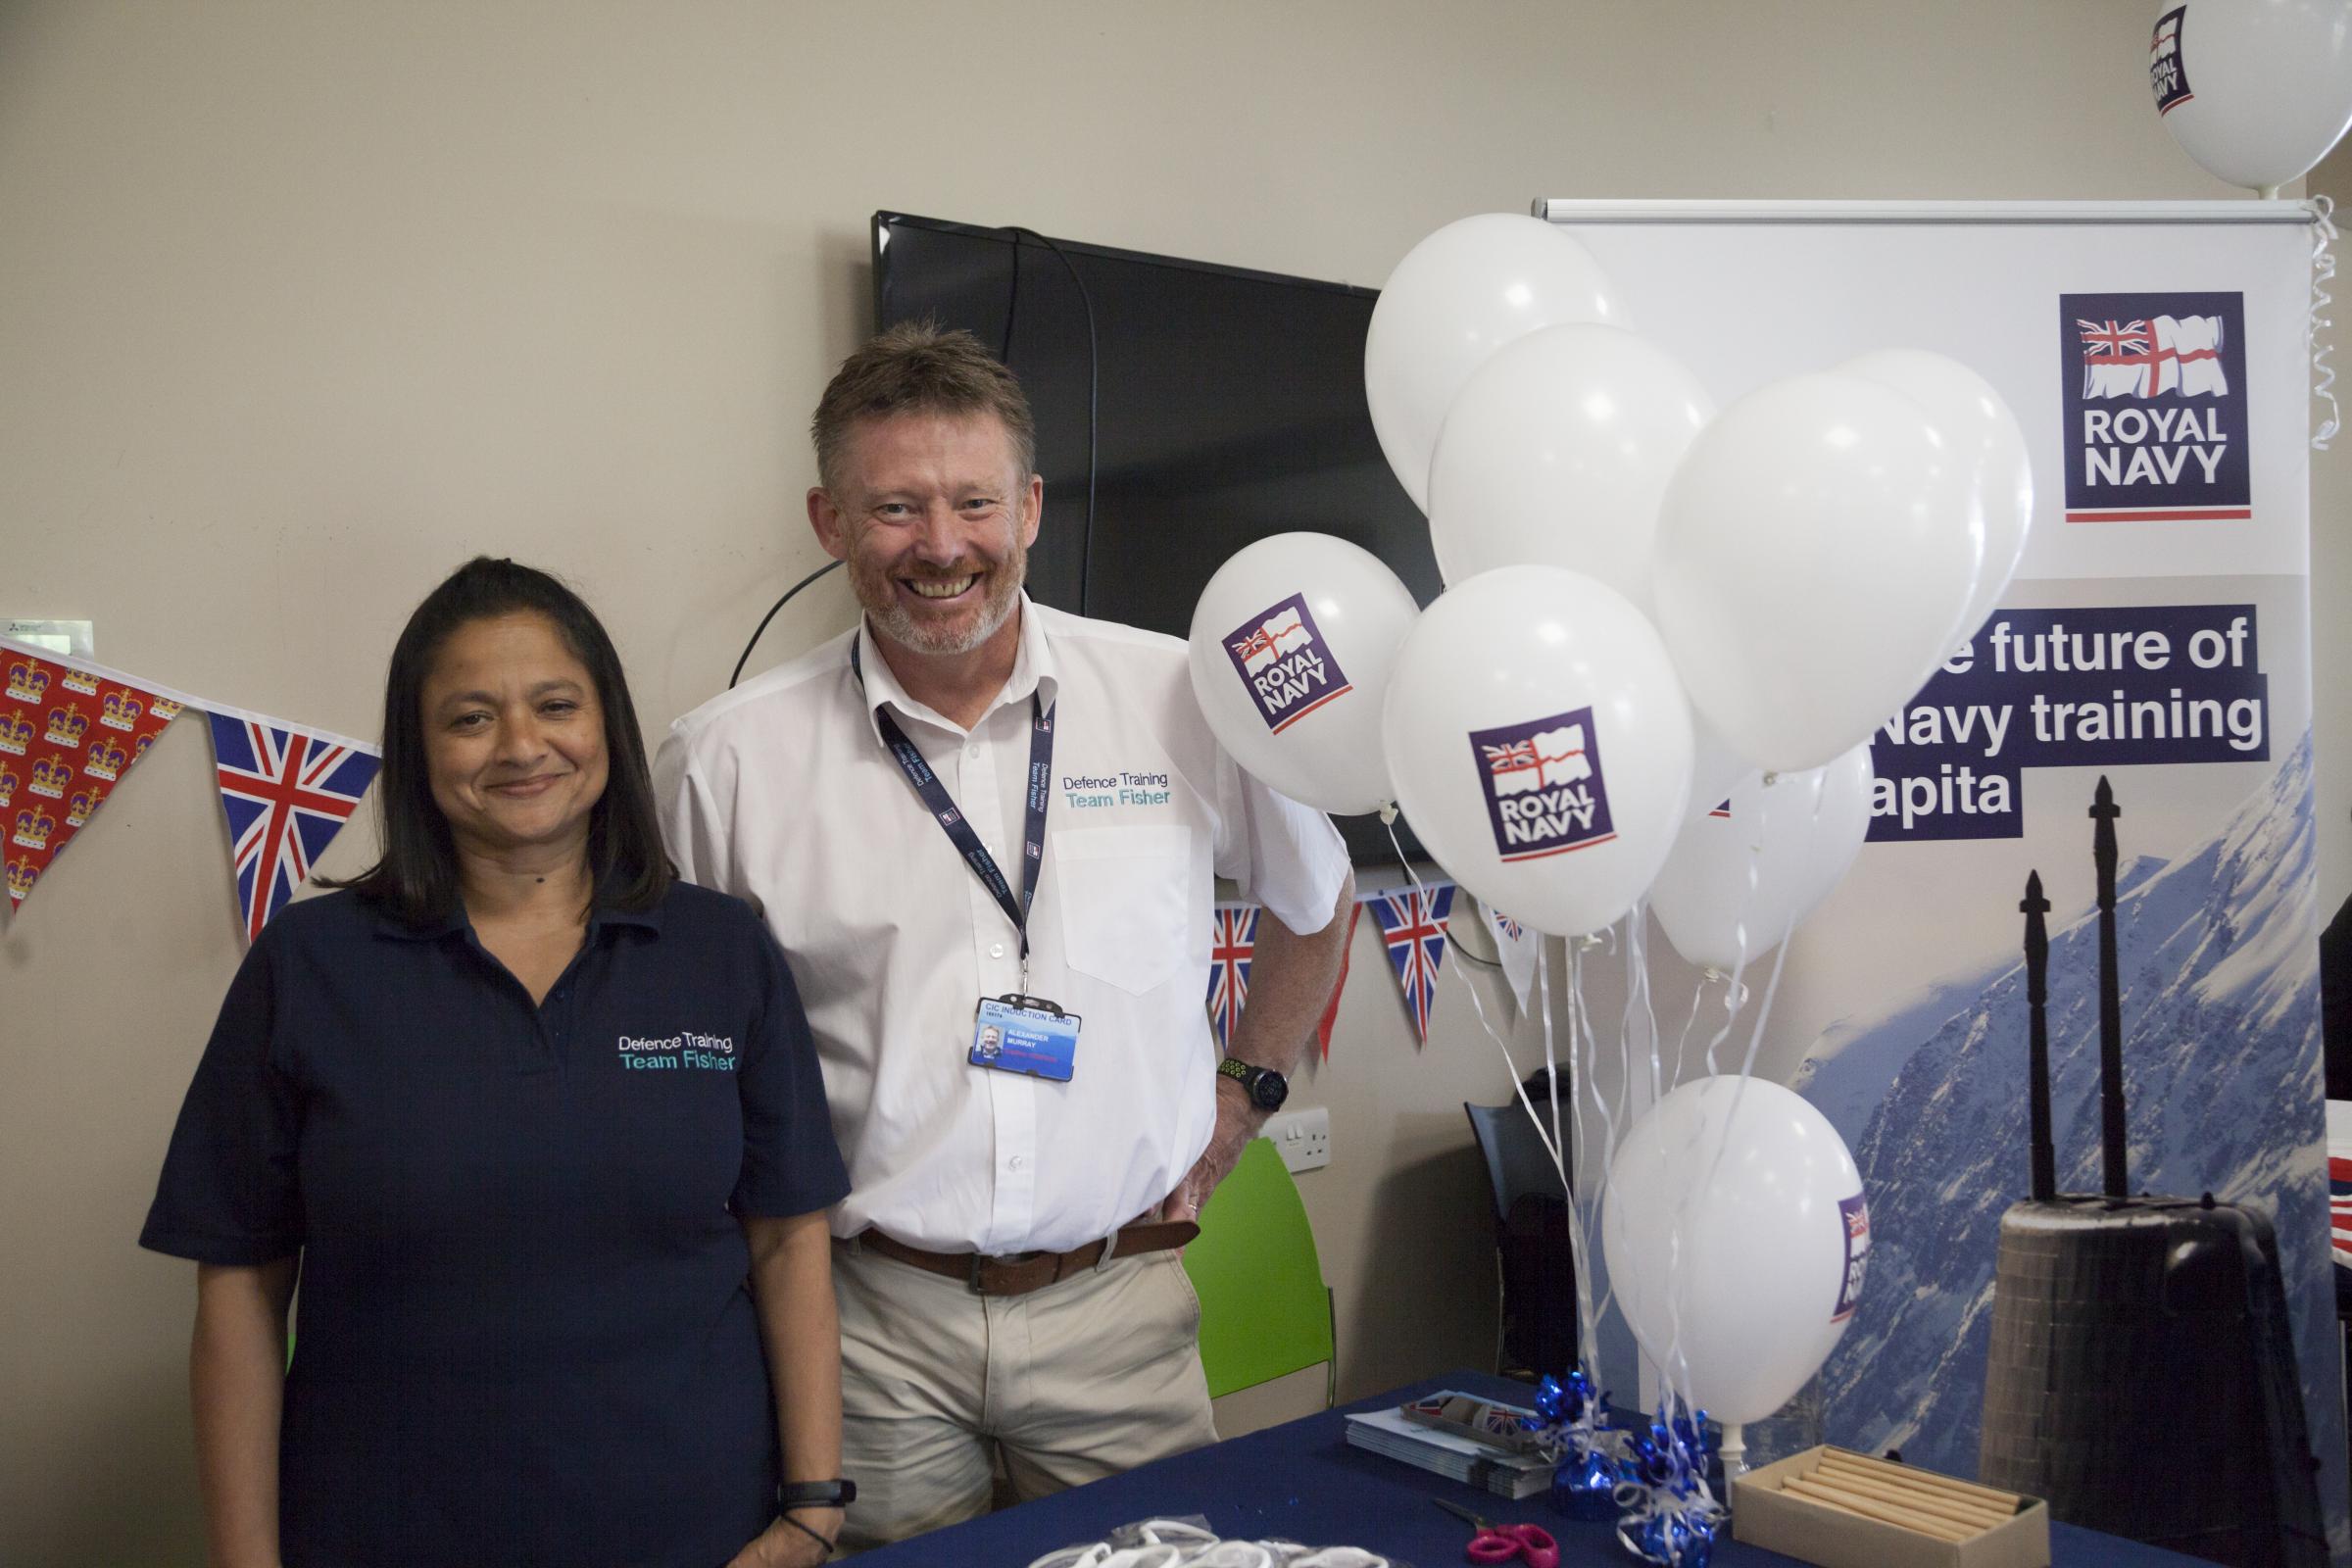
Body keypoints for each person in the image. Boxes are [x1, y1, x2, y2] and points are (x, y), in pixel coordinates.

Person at [656, 323, 1356, 1549]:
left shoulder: (1182, 699)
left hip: (1121, 1314)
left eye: (976, 500)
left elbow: (1317, 896)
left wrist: (1247, 1087)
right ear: (829, 521)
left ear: (1029, 508)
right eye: (895, 507)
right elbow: (675, 1041)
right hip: (868, 1328)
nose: (941, 545)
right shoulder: (726, 761)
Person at [141, 559, 854, 1568]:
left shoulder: (721, 950)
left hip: (700, 1533)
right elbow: (241, 1292)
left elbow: (791, 1242)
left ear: (603, 720)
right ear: (419, 747)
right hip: (385, 1532)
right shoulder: (308, 966)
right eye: (471, 717)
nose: (522, 745)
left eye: (555, 705)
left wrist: (813, 1509)